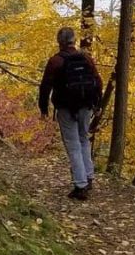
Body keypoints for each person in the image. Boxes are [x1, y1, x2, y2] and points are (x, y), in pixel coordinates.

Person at [39, 27, 103, 200]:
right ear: (74, 40)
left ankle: (80, 185)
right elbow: (98, 81)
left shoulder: (55, 61)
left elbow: (45, 87)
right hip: (86, 106)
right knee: (83, 139)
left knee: (73, 144)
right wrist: (98, 103)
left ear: (59, 41)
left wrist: (43, 109)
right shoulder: (86, 58)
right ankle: (88, 177)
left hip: (66, 108)